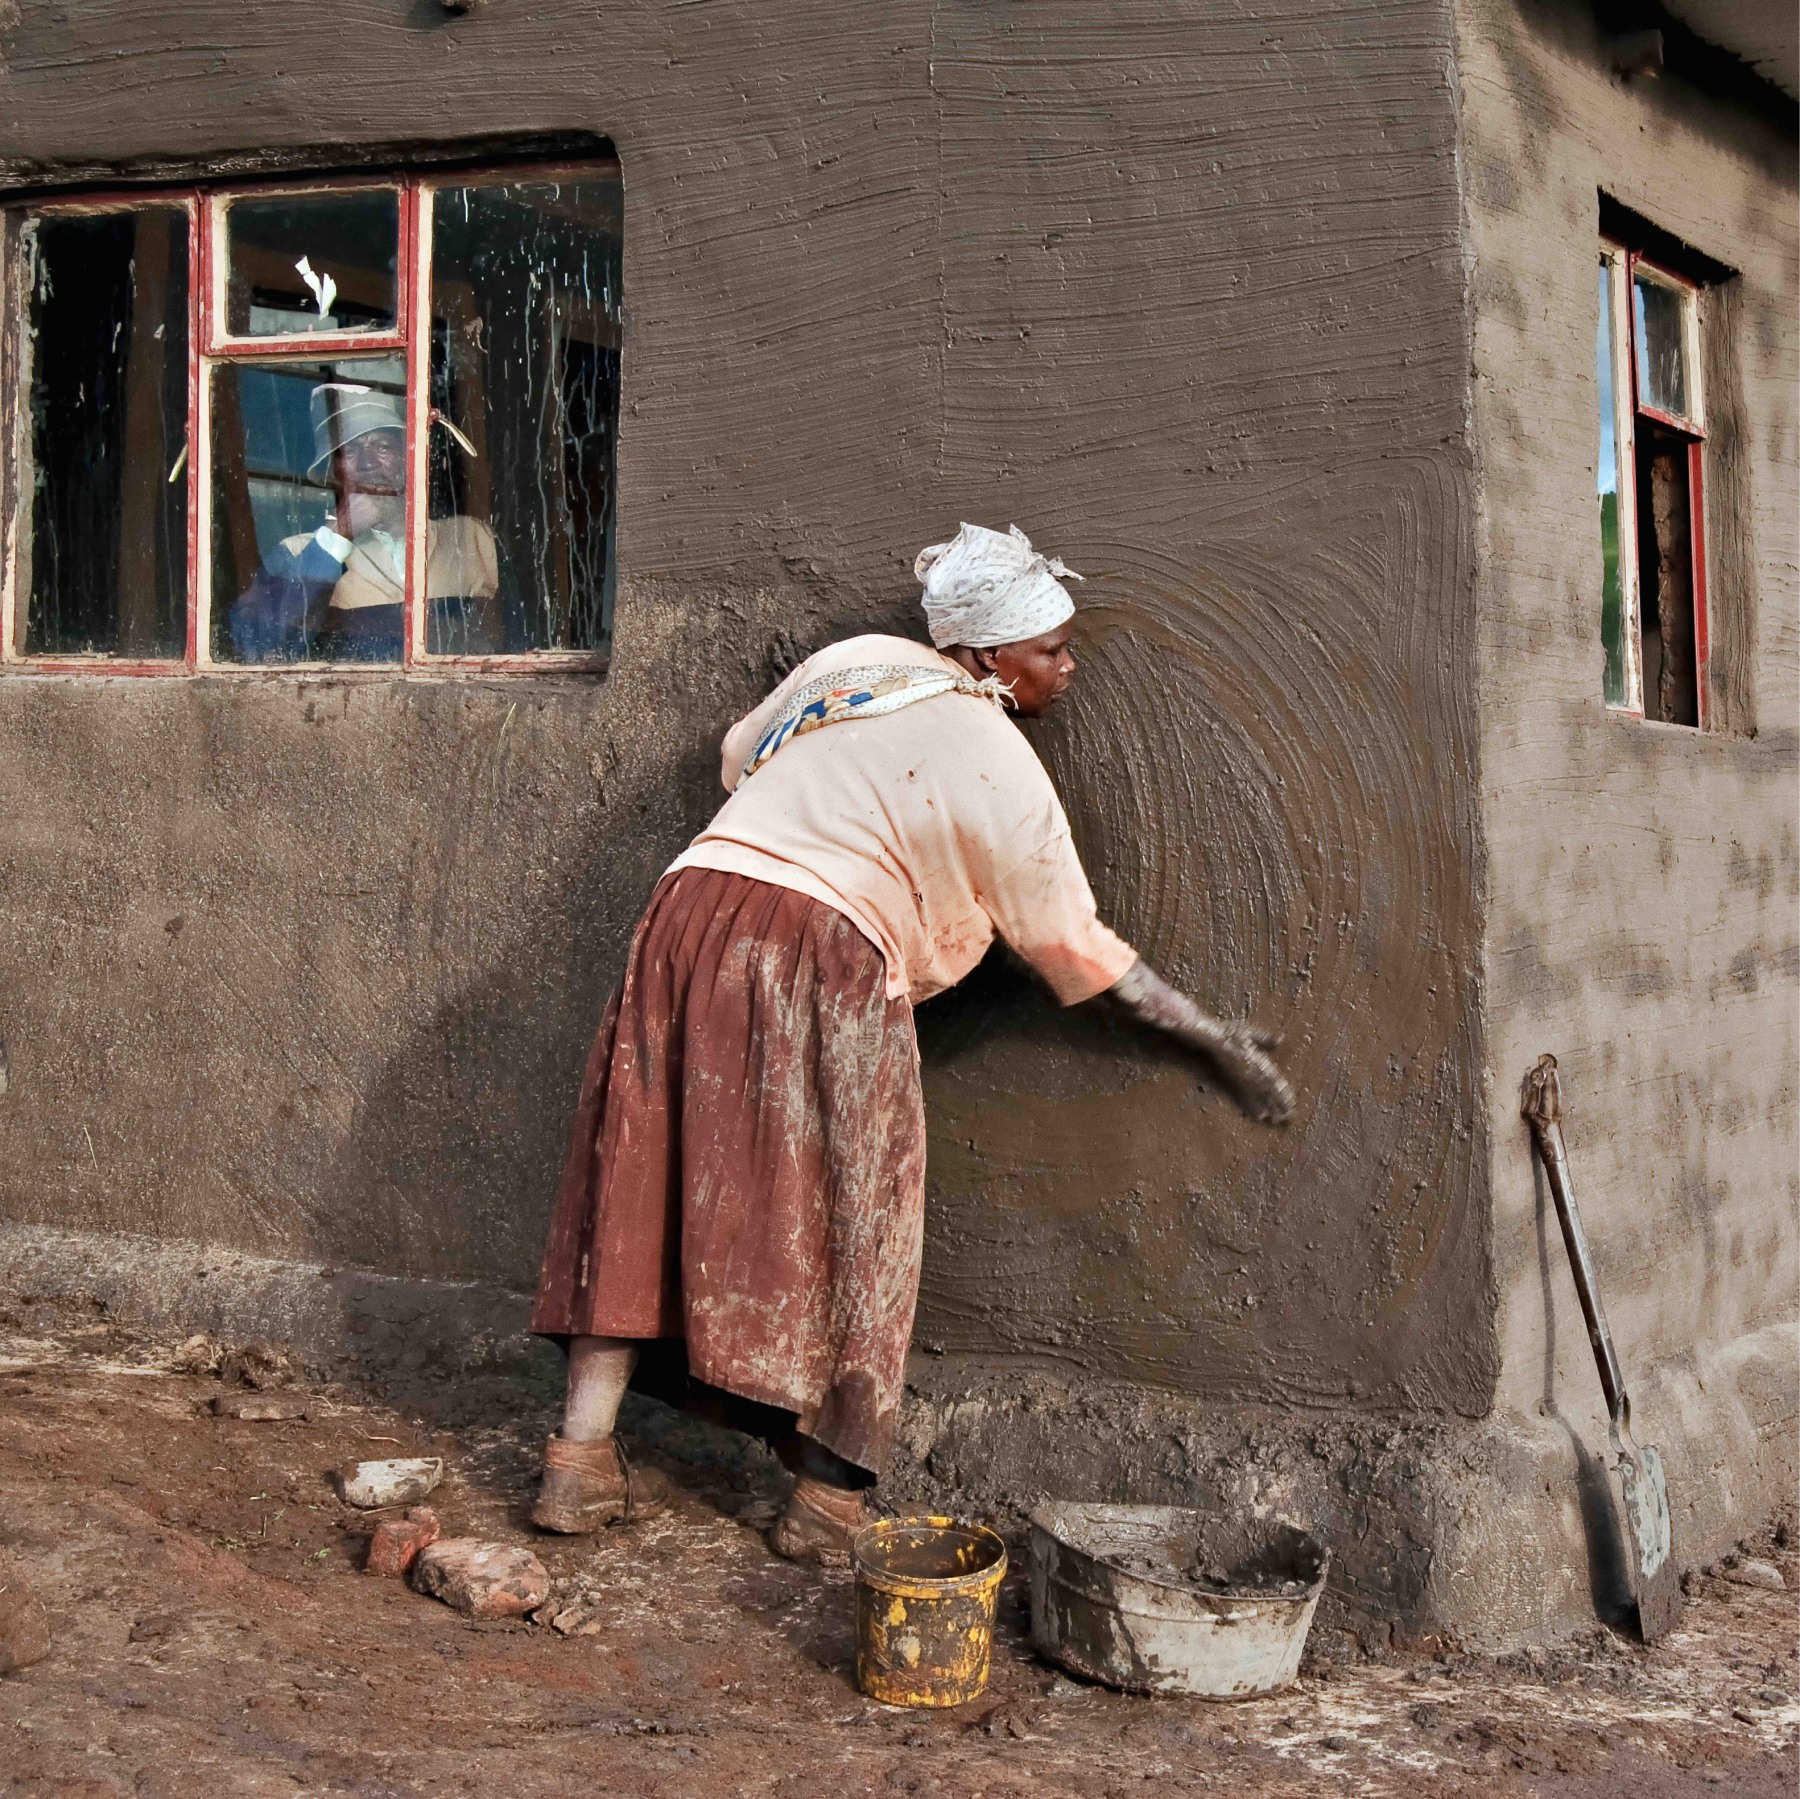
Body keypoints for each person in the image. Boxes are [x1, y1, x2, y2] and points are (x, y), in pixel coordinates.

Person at [528, 522, 1295, 1562]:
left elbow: (732, 756)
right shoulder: (1003, 769)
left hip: (688, 908)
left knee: (641, 1171)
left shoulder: (855, 665)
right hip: (822, 945)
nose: (1067, 671)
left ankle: (578, 1460)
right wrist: (1212, 1034)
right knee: (868, 1212)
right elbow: (1074, 942)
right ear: (985, 656)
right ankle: (827, 1501)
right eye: (1053, 650)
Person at [227, 382, 498, 663]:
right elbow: (257, 644)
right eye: (350, 452)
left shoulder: (474, 538)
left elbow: (524, 639)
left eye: (382, 447)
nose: (368, 464)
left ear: (408, 457)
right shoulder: (300, 552)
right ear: (334, 471)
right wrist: (340, 534)